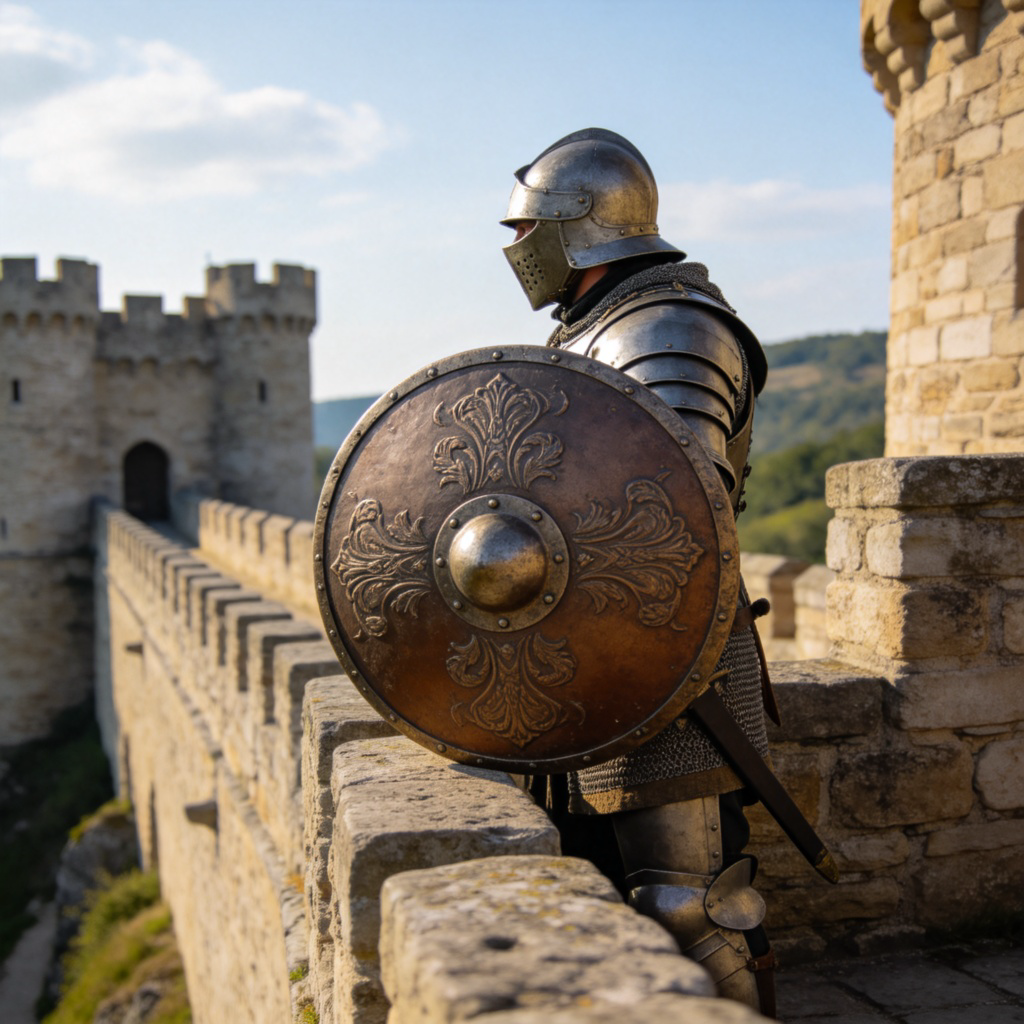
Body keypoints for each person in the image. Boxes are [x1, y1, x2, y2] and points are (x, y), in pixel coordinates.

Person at [501, 128, 777, 1017]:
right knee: (593, 891)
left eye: (525, 229)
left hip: (670, 673)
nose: (515, 251)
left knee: (685, 909)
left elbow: (670, 525)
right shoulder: (591, 333)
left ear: (579, 225)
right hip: (595, 667)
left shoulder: (668, 329)